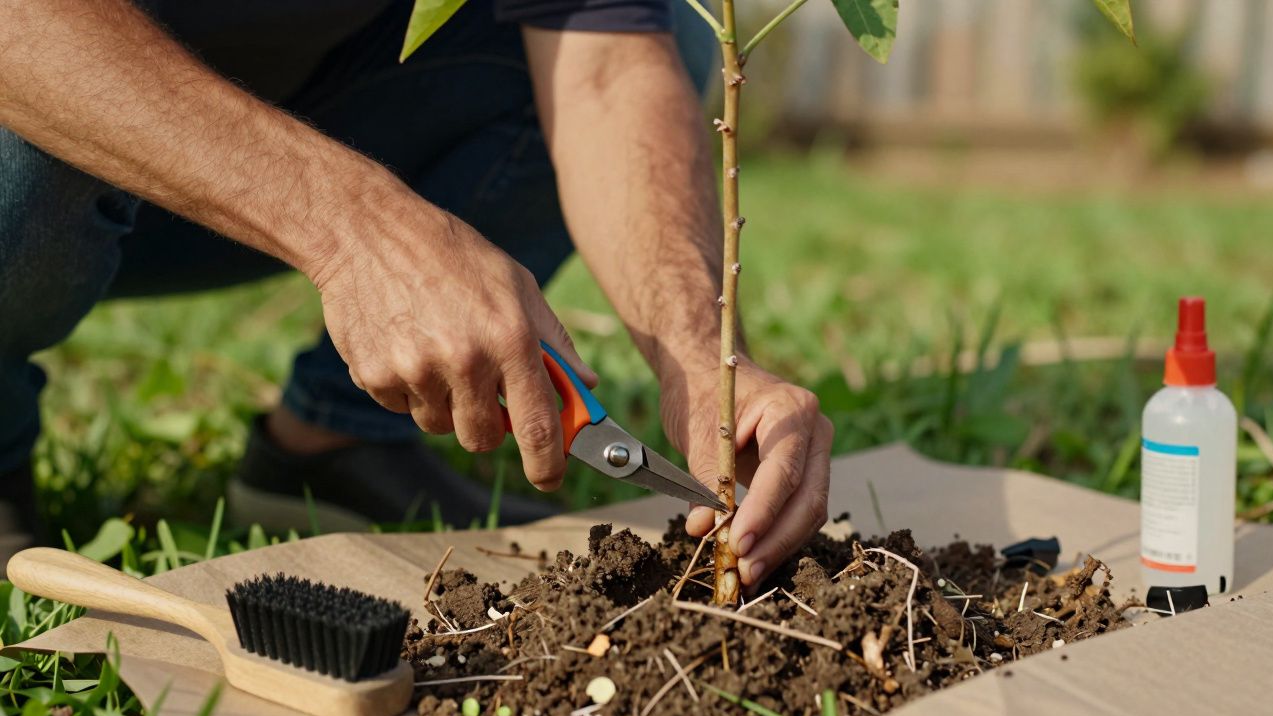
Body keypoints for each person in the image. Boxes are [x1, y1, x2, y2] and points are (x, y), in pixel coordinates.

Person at [0, 0, 833, 586]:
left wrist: (696, 358)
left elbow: (605, 65)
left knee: (657, 33)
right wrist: (351, 224)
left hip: (268, 129)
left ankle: (331, 449)